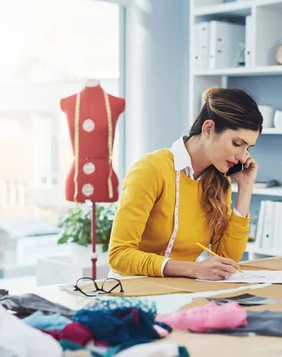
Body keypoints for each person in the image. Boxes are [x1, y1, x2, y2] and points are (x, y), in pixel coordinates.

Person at [108, 87, 263, 281]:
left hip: (180, 291)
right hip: (131, 288)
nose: (242, 156)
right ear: (208, 129)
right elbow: (119, 255)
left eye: (248, 148)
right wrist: (192, 269)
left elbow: (226, 261)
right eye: (237, 143)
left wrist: (246, 188)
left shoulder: (218, 183)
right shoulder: (151, 169)